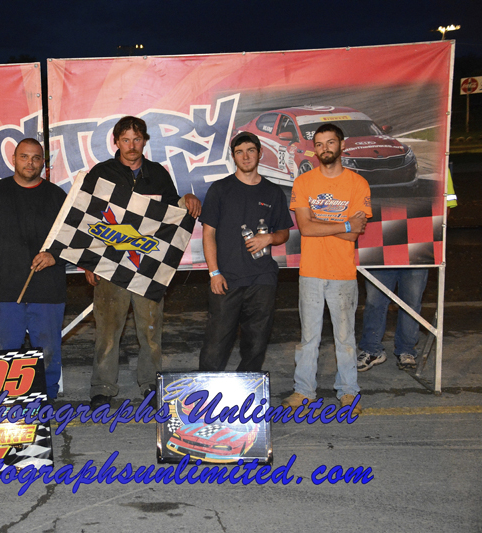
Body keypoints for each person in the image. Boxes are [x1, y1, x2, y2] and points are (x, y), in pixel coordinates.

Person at [85, 116, 202, 409]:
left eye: (137, 139)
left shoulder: (158, 173)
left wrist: (186, 198)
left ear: (145, 141)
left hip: (148, 265)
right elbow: (86, 217)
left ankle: (151, 384)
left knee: (150, 331)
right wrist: (88, 261)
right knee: (107, 331)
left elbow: (173, 213)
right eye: (125, 139)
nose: (131, 146)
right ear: (116, 141)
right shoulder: (101, 173)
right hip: (109, 265)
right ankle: (102, 387)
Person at [0, 138, 66, 399]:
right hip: (4, 289)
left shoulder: (57, 196)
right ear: (13, 159)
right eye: (24, 157)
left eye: (36, 158)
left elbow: (74, 239)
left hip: (47, 290)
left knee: (48, 352)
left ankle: (47, 398)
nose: (30, 163)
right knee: (2, 354)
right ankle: (3, 401)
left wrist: (55, 256)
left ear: (43, 163)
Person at [286, 123, 371, 416]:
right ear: (315, 149)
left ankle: (348, 392)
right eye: (319, 144)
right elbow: (306, 228)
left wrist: (324, 223)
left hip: (343, 272)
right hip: (310, 271)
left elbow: (354, 233)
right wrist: (344, 223)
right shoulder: (304, 182)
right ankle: (303, 391)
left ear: (341, 145)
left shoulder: (357, 184)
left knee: (345, 338)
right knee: (309, 338)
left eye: (330, 142)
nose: (325, 148)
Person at [198, 132, 292, 372]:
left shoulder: (273, 192)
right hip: (226, 279)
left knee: (256, 344)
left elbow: (284, 233)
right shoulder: (220, 189)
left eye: (250, 150)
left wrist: (269, 237)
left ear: (260, 153)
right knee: (215, 345)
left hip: (262, 278)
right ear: (233, 157)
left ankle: (249, 390)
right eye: (239, 152)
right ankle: (206, 392)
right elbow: (208, 234)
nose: (246, 156)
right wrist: (214, 273)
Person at [357, 171, 458, 371]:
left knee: (411, 302)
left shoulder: (439, 164)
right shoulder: (375, 162)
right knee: (375, 302)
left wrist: (429, 234)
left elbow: (447, 206)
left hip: (417, 247)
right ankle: (372, 349)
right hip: (380, 246)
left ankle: (406, 349)